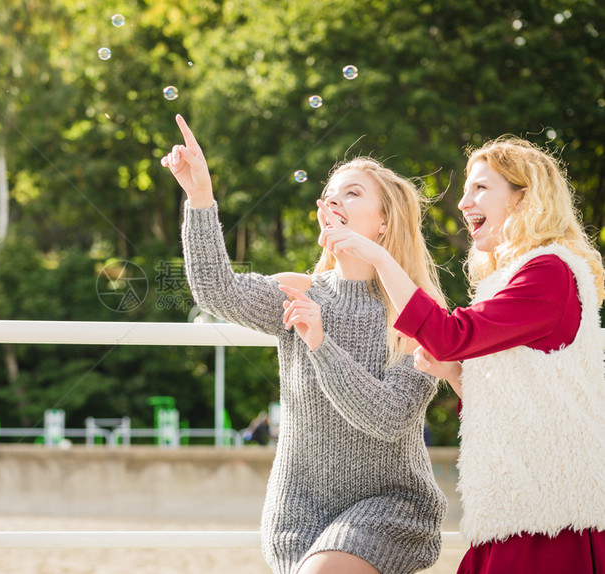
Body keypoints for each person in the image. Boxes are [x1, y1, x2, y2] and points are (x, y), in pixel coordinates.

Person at [161, 114, 447, 574]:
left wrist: (321, 344)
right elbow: (215, 289)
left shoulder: (416, 312)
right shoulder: (300, 291)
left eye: (353, 193)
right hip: (300, 510)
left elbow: (389, 418)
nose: (335, 200)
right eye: (331, 194)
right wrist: (200, 197)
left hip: (390, 506)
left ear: (383, 221)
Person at [321, 136, 605, 573]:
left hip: (545, 518)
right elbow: (510, 400)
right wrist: (454, 374)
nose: (464, 202)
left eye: (480, 189)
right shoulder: (519, 277)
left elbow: (451, 334)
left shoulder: (549, 272)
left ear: (523, 198)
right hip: (516, 508)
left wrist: (378, 256)